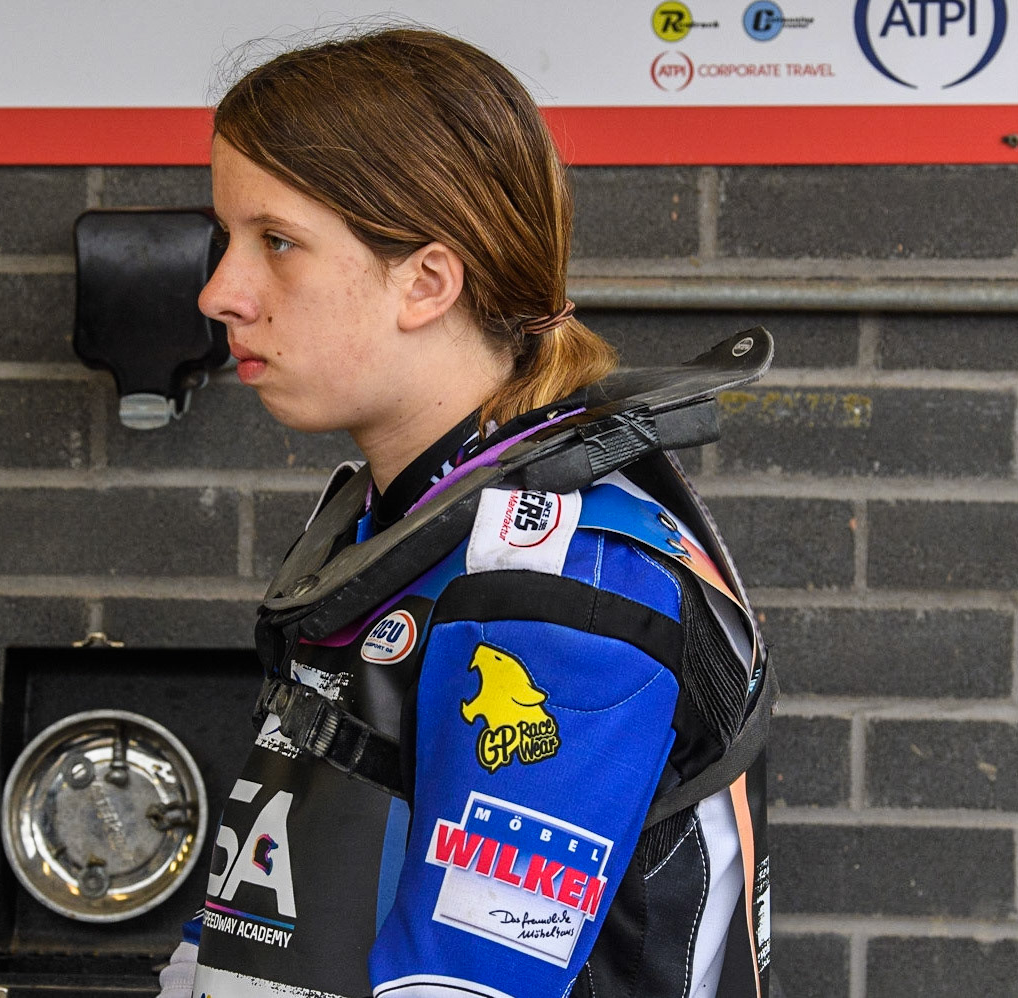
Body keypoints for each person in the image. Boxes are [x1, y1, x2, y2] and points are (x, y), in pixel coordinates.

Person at [159, 26, 774, 998]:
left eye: (275, 242)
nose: (221, 291)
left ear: (428, 281)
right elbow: (253, 908)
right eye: (227, 239)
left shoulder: (560, 585)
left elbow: (460, 985)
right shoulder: (390, 527)